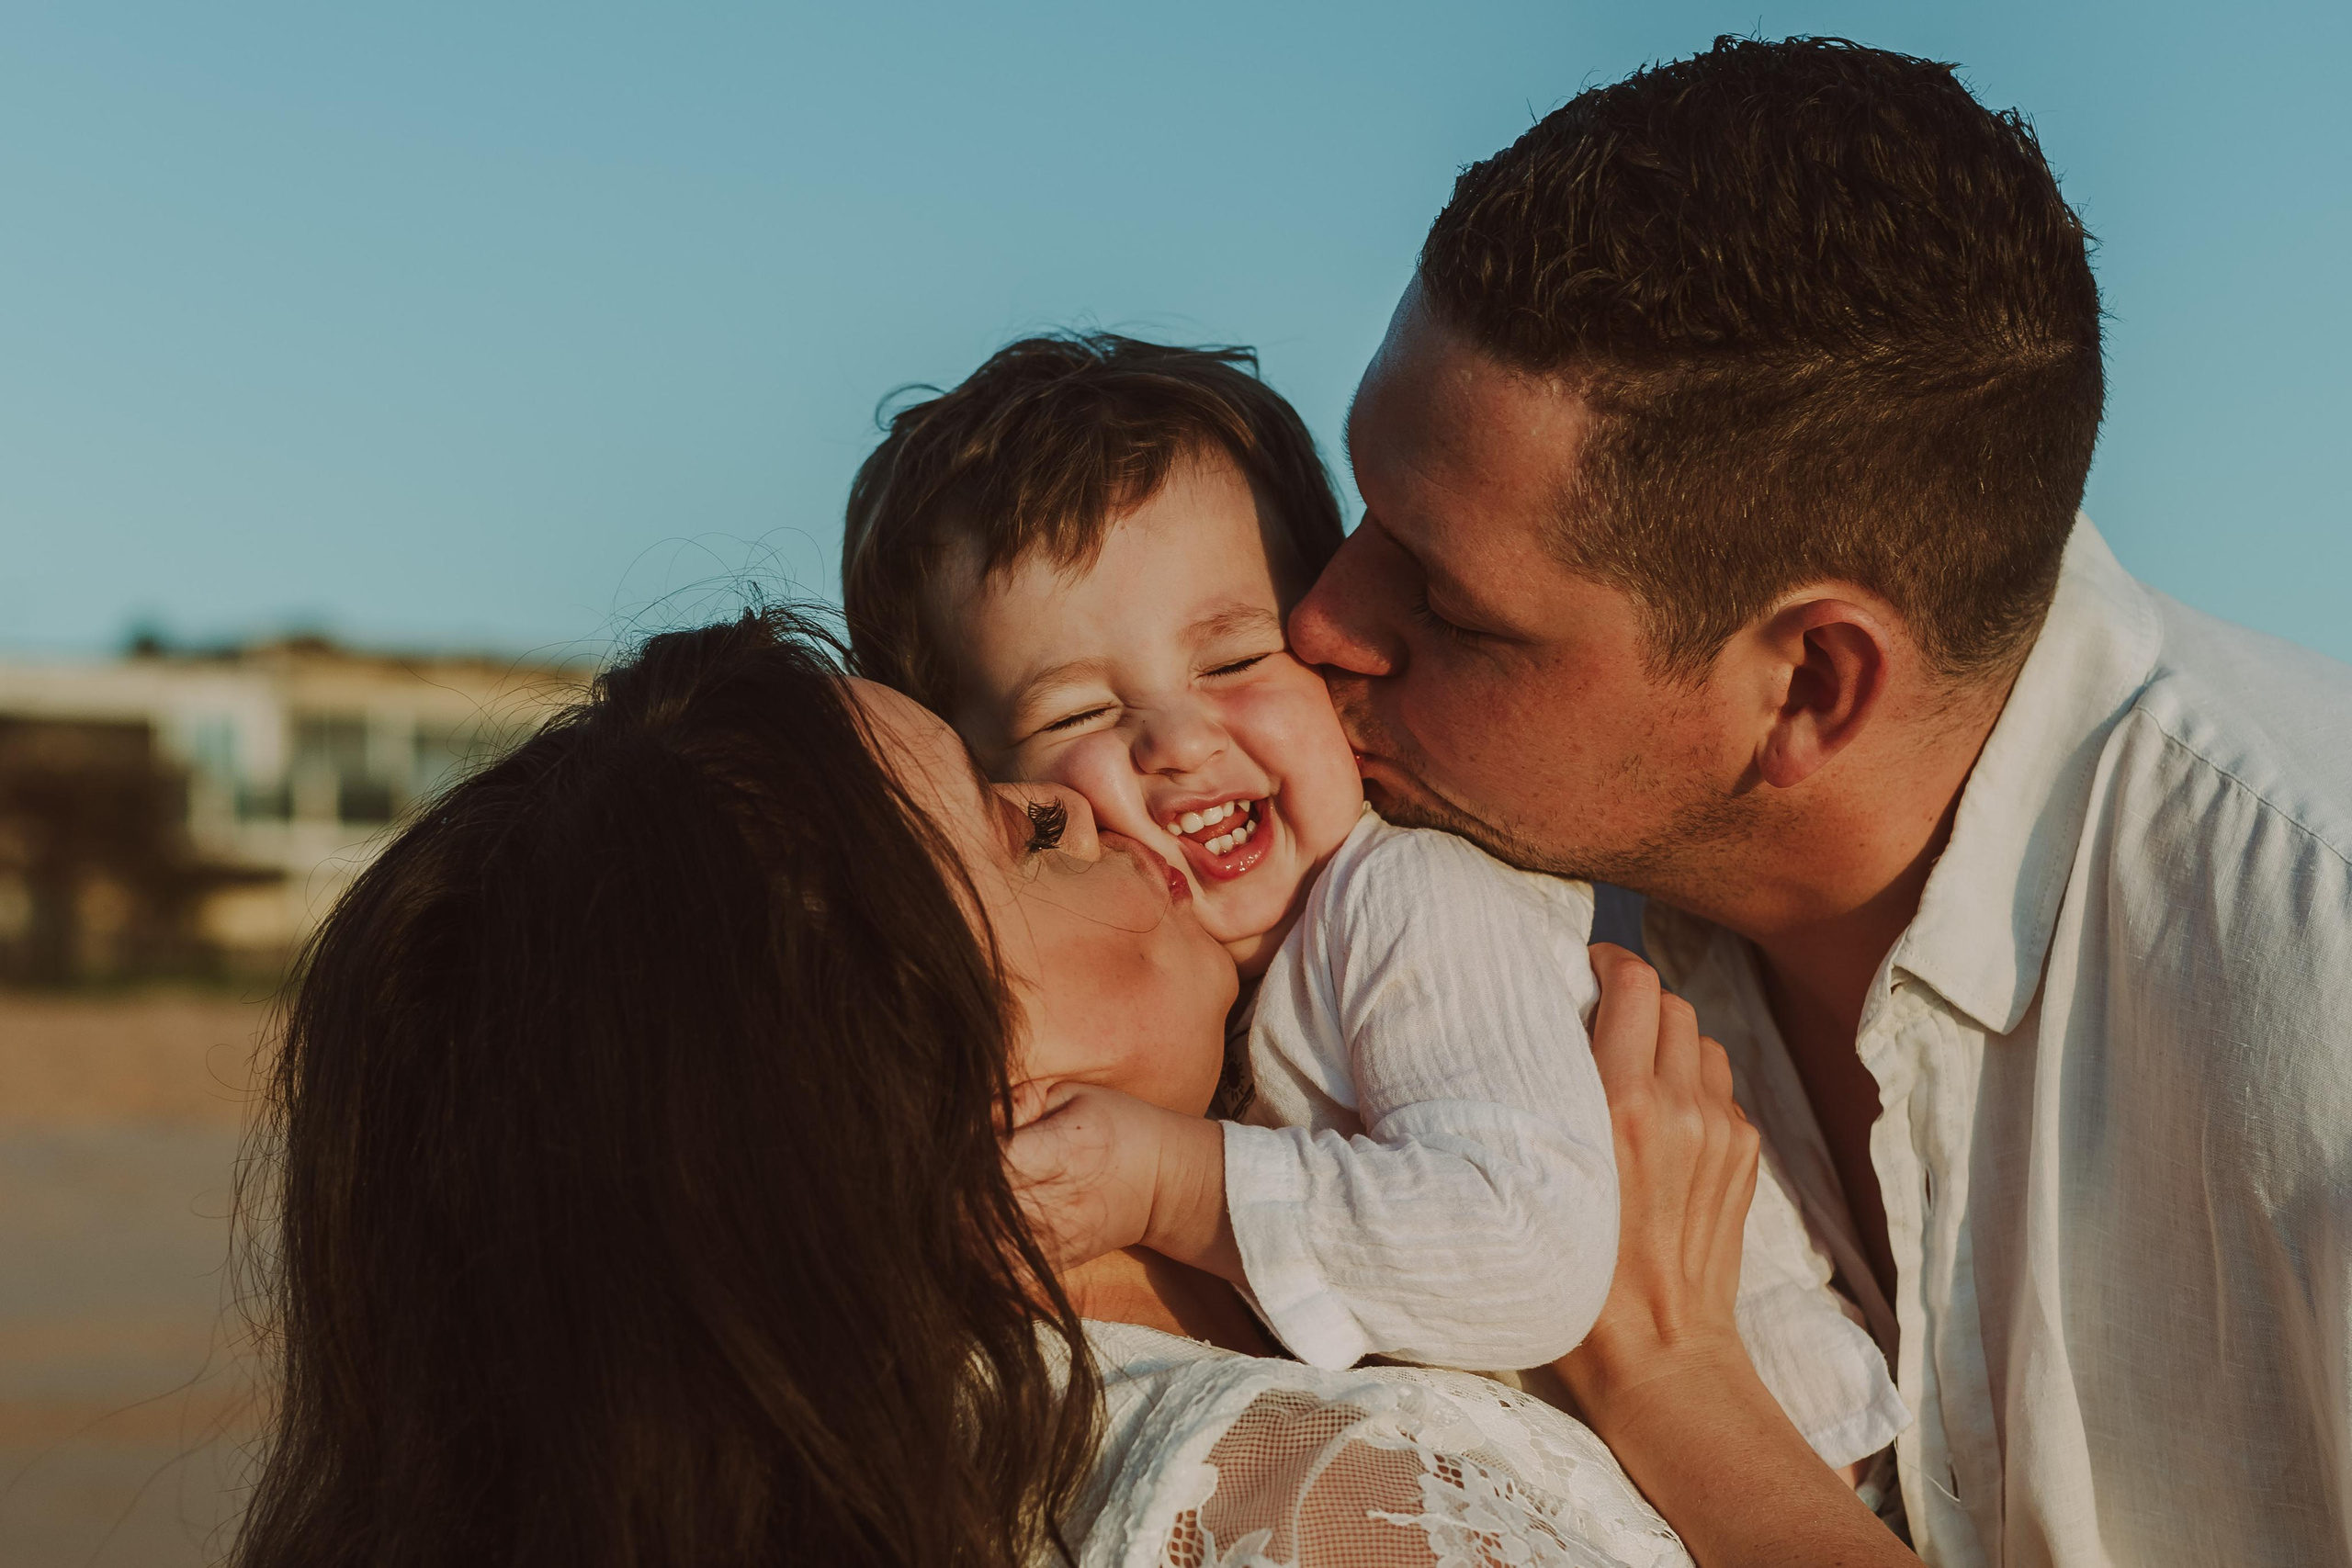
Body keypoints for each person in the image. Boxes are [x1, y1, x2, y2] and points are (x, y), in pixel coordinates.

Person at [1289, 35, 2352, 1564]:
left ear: (1809, 686)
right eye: (1360, 510)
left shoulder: (2313, 986)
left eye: (1449, 606)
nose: (1320, 620)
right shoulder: (1437, 898)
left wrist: (1677, 1391)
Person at [232, 608, 1917, 1567]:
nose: (1093, 803)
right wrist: (1683, 1377)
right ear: (950, 1086)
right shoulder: (1315, 1508)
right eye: (1018, 827)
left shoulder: (918, 1464)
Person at [841, 330, 1905, 1476]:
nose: (1179, 740)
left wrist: (1164, 1180)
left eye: (1233, 658)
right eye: (1072, 718)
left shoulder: (1409, 900)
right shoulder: (1216, 1002)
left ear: (1328, 658)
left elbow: (1522, 1254)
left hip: (1789, 1467)